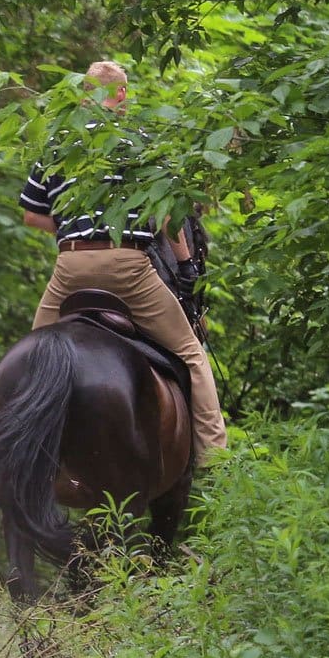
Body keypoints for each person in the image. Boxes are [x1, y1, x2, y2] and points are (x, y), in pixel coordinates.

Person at [18, 59, 228, 457]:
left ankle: (18, 459)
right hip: (128, 268)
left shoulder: (60, 144)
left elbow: (31, 214)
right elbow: (168, 216)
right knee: (192, 355)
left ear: (84, 94)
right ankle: (215, 462)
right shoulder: (140, 141)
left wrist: (71, 230)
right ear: (121, 94)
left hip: (71, 269)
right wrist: (185, 266)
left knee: (31, 356)